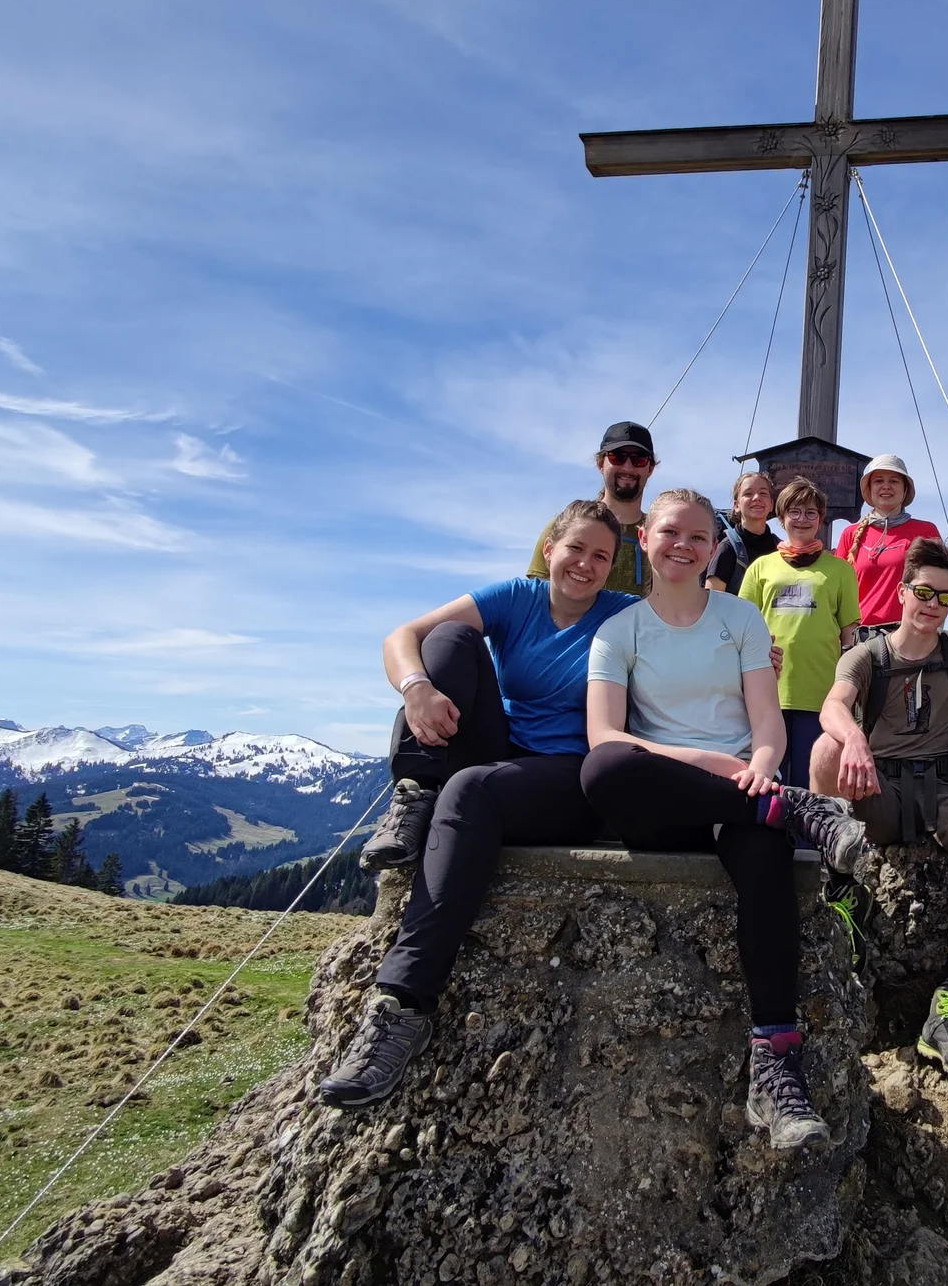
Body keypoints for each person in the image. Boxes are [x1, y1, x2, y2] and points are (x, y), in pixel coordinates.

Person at [318, 500, 637, 1108]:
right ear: (551, 549)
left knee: (469, 791)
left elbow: (695, 633)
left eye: (602, 556)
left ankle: (403, 1007)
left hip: (571, 775)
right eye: (577, 549)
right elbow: (401, 637)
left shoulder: (625, 615)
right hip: (500, 748)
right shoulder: (517, 597)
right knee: (447, 640)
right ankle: (414, 794)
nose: (587, 565)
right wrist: (416, 691)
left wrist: (753, 657)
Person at [580, 487, 871, 1150]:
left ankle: (775, 1067)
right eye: (669, 533)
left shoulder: (739, 618)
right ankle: (793, 809)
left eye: (697, 537)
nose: (682, 545)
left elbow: (766, 723)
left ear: (715, 547)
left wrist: (762, 768)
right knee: (604, 771)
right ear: (645, 539)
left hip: (746, 786)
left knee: (763, 857)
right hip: (671, 798)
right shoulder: (618, 630)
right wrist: (710, 762)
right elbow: (605, 736)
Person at [812, 536, 948, 1077]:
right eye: (924, 591)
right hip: (878, 787)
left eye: (946, 597)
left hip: (943, 790)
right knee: (825, 749)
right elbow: (833, 705)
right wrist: (855, 741)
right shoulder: (868, 654)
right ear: (904, 590)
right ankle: (836, 886)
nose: (932, 604)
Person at [736, 477, 861, 789]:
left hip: (820, 689)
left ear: (820, 520)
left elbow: (850, 633)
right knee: (768, 777)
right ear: (781, 516)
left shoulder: (841, 569)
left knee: (810, 778)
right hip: (767, 690)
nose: (802, 519)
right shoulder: (760, 568)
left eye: (811, 513)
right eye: (794, 511)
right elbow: (741, 625)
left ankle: (807, 836)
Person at [527, 421, 659, 596]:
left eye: (639, 460)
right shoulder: (564, 526)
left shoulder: (661, 537)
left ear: (650, 468)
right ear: (600, 463)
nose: (628, 467)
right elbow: (536, 597)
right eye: (617, 457)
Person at [835, 454, 943, 639]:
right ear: (869, 489)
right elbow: (836, 591)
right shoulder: (850, 534)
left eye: (894, 481)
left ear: (905, 489)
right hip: (860, 638)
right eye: (878, 481)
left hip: (909, 637)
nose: (886, 486)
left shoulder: (926, 531)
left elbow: (940, 586)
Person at [706, 470, 780, 594]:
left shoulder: (780, 548)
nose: (757, 498)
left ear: (771, 504)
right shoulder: (727, 548)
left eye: (763, 493)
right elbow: (711, 602)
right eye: (748, 493)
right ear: (737, 505)